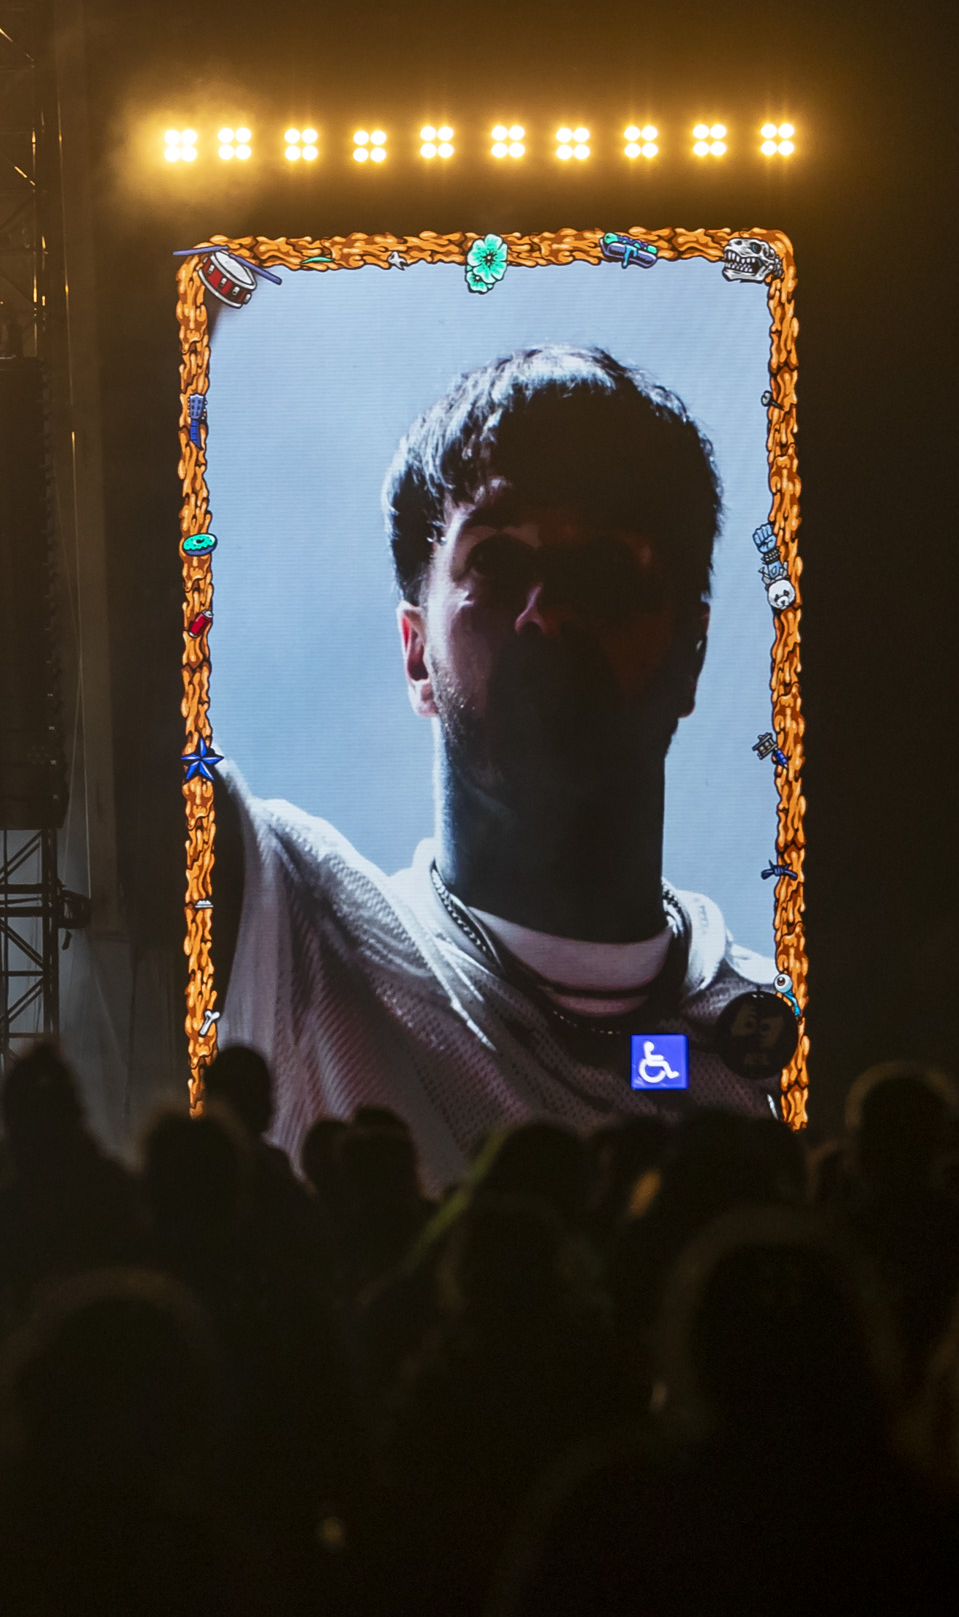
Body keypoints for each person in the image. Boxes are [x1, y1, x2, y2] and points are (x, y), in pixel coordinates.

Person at [209, 345, 792, 1165]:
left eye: (604, 567)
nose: (546, 613)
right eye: (497, 559)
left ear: (693, 651)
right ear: (416, 654)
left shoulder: (771, 1027)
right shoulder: (304, 930)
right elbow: (100, 720)